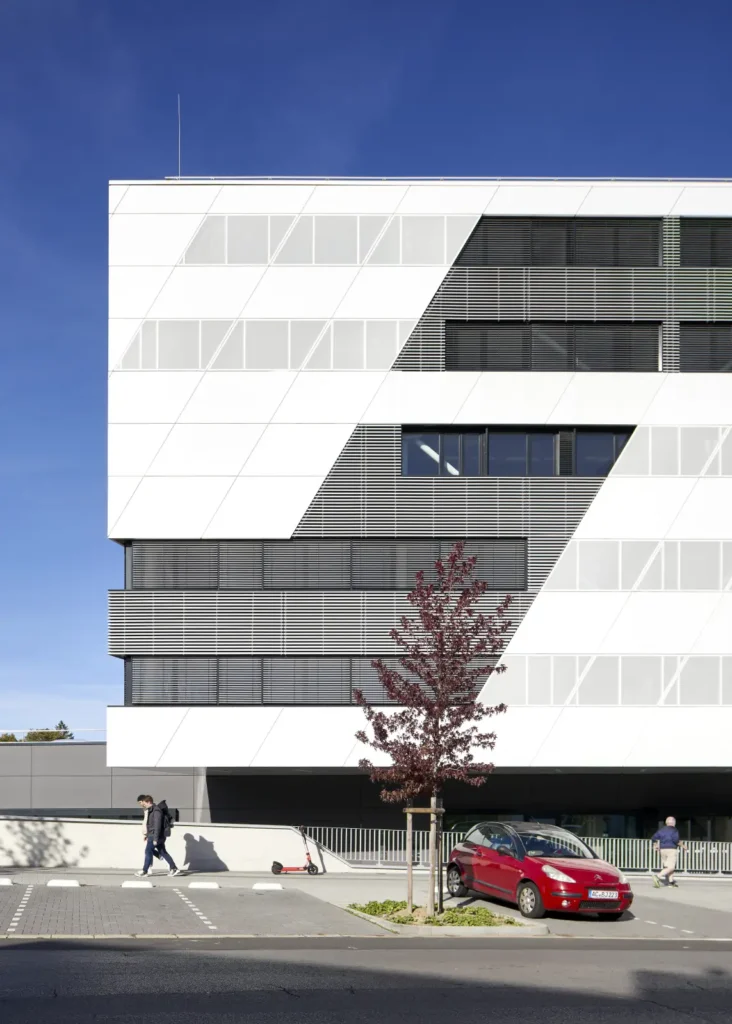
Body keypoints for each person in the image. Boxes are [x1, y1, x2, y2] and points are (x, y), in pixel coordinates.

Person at [135, 795, 181, 877]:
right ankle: (174, 868)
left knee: (148, 851)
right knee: (162, 852)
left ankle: (144, 871)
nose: (144, 805)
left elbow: (157, 826)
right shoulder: (152, 810)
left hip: (155, 836)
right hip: (154, 835)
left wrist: (155, 839)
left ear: (149, 802)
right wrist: (147, 835)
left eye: (144, 803)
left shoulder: (156, 811)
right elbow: (151, 825)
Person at [651, 816, 687, 888]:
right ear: (674, 822)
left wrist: (655, 845)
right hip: (671, 849)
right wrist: (683, 846)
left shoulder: (661, 830)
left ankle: (671, 882)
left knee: (667, 867)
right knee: (671, 867)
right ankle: (657, 877)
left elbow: (653, 838)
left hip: (662, 850)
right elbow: (675, 840)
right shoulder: (674, 830)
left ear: (666, 823)